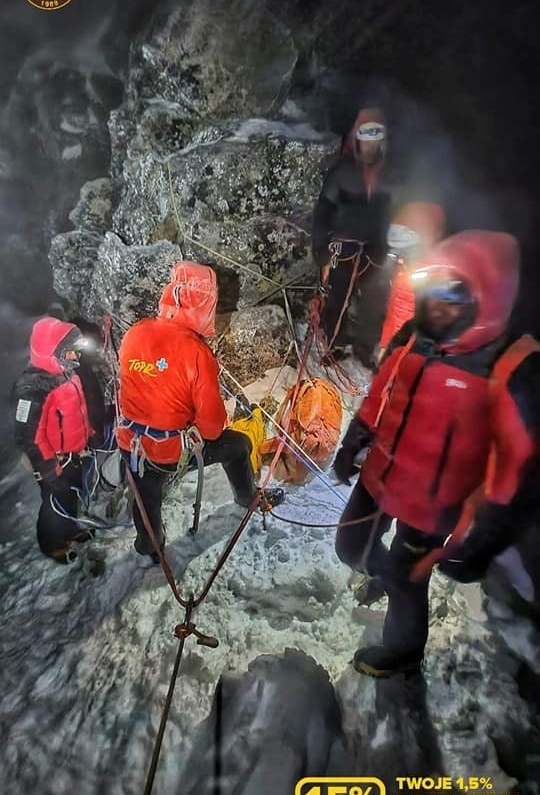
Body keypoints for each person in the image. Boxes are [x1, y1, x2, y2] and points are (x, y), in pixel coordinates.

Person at [332, 230, 540, 677]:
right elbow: (380, 392)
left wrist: (484, 540)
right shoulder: (413, 336)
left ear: (487, 294)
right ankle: (379, 574)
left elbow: (518, 470)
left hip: (434, 508)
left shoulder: (509, 364)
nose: (436, 303)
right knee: (349, 545)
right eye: (431, 287)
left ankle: (403, 654)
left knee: (407, 580)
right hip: (382, 476)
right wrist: (356, 438)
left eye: (453, 291)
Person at [116, 261, 284, 563]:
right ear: (205, 303)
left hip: (132, 445)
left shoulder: (135, 333)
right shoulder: (197, 353)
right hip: (168, 452)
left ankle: (148, 546)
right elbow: (212, 430)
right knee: (237, 445)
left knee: (146, 493)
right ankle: (247, 497)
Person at [311, 105, 393, 368]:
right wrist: (320, 247)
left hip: (375, 249)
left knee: (374, 300)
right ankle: (334, 343)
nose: (370, 145)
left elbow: (398, 212)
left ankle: (365, 348)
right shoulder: (342, 171)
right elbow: (323, 211)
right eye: (366, 137)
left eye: (375, 137)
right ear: (357, 138)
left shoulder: (390, 175)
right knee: (337, 297)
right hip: (344, 249)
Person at [12, 317, 94, 563]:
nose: (75, 356)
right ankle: (52, 545)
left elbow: (75, 412)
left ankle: (70, 530)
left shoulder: (67, 375)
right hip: (53, 461)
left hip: (73, 456)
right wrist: (49, 469)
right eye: (69, 352)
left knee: (70, 497)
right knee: (53, 504)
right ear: (54, 352)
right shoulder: (33, 388)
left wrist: (87, 435)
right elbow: (28, 436)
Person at [378, 201, 446, 357]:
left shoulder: (414, 210)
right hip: (410, 269)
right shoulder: (434, 217)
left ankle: (385, 354)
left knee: (397, 308)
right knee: (403, 309)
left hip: (396, 250)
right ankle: (390, 358)